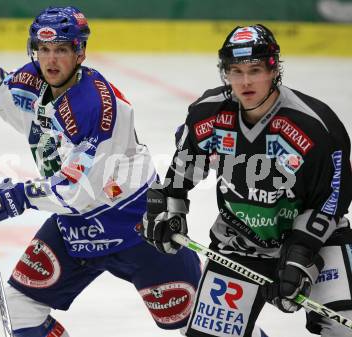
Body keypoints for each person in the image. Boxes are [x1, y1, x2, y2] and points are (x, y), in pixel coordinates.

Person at [0, 6, 205, 337]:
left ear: (80, 52)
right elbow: (14, 107)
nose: (50, 60)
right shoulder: (34, 78)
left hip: (136, 225)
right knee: (20, 308)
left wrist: (14, 198)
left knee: (202, 328)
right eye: (43, 49)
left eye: (61, 49)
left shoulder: (97, 107)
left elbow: (78, 191)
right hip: (76, 228)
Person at [140, 24, 352, 337]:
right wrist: (168, 206)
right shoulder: (208, 115)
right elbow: (185, 170)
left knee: (342, 325)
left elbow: (331, 200)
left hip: (316, 240)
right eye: (235, 71)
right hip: (239, 242)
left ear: (273, 69)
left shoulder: (315, 125)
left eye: (255, 70)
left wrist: (301, 253)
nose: (246, 81)